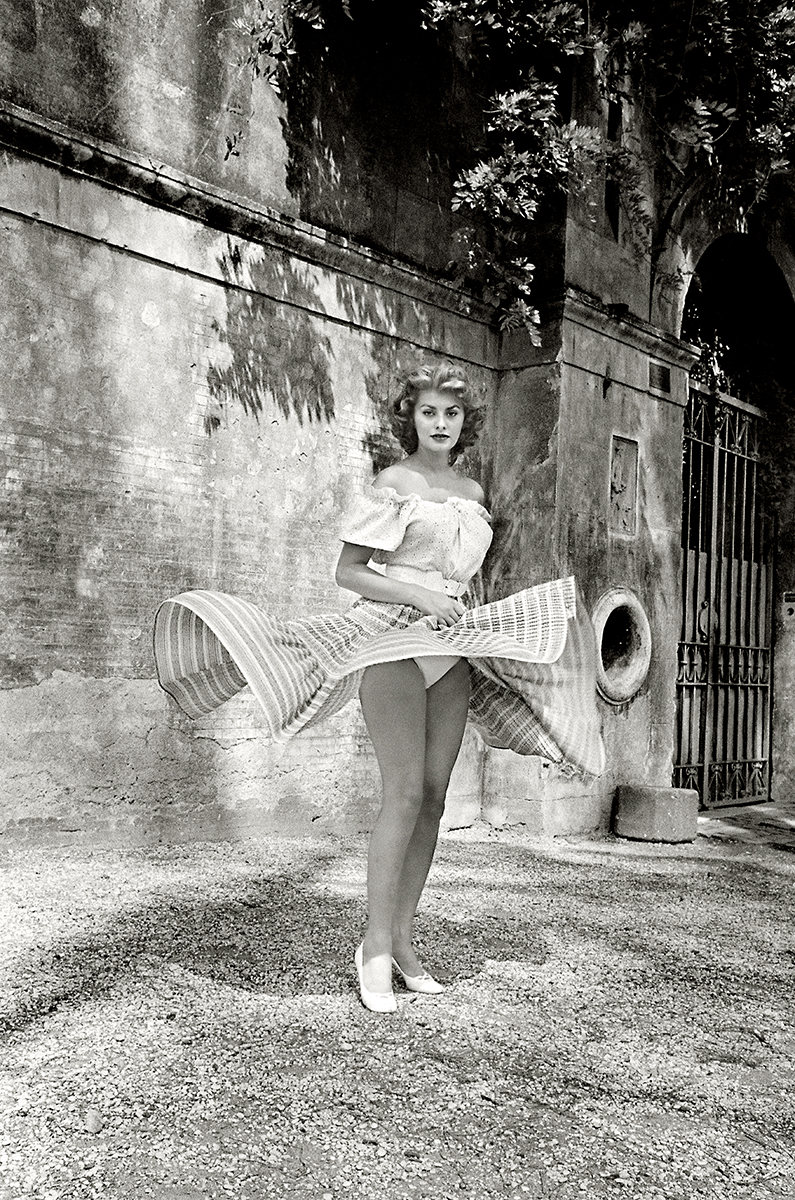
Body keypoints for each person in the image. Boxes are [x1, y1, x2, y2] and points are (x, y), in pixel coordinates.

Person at [153, 362, 605, 1015]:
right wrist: (417, 592)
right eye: (428, 412)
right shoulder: (391, 484)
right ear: (411, 418)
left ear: (464, 421)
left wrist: (460, 610)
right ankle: (371, 946)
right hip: (390, 640)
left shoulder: (472, 492)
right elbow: (352, 571)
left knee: (432, 798)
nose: (441, 423)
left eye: (451, 414)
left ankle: (401, 939)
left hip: (449, 646)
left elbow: (460, 576)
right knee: (399, 796)